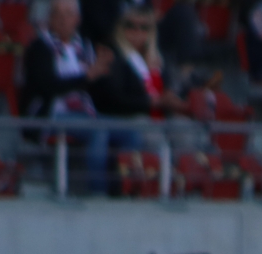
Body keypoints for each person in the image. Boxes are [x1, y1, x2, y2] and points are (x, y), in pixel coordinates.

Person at [22, 0, 115, 196]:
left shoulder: (85, 47)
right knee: (98, 130)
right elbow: (48, 87)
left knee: (131, 131)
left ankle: (126, 191)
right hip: (51, 114)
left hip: (85, 112)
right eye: (58, 14)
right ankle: (98, 193)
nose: (63, 19)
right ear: (50, 19)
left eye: (69, 14)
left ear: (77, 19)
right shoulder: (39, 48)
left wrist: (105, 73)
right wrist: (87, 76)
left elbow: (96, 89)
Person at [96, 6, 203, 153]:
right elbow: (113, 98)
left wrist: (172, 98)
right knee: (152, 135)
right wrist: (151, 102)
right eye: (130, 25)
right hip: (128, 116)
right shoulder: (113, 55)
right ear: (120, 27)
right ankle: (157, 168)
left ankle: (185, 167)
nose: (137, 31)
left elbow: (168, 89)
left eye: (144, 27)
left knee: (184, 129)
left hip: (161, 115)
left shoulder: (159, 57)